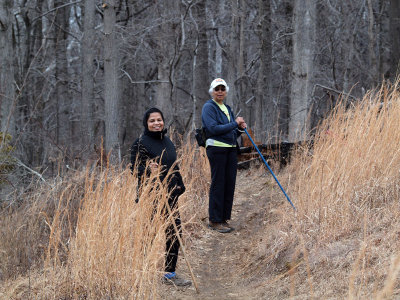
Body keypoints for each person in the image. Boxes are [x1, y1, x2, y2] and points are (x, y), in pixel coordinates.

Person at [130, 107, 191, 287]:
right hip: (151, 195)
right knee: (149, 234)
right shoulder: (140, 142)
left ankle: (169, 274)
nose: (156, 123)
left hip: (170, 195)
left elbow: (174, 166)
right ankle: (142, 273)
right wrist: (148, 170)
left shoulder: (168, 142)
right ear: (146, 123)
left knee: (174, 233)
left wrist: (180, 185)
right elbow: (133, 169)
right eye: (152, 121)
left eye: (159, 120)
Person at [201, 78, 247, 233]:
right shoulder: (209, 107)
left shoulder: (227, 108)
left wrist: (239, 128)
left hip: (230, 149)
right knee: (218, 183)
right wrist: (234, 123)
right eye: (217, 89)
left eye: (222, 88)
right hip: (216, 149)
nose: (220, 91)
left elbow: (232, 132)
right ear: (212, 91)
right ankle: (214, 220)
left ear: (226, 91)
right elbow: (213, 129)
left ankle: (224, 219)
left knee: (229, 183)